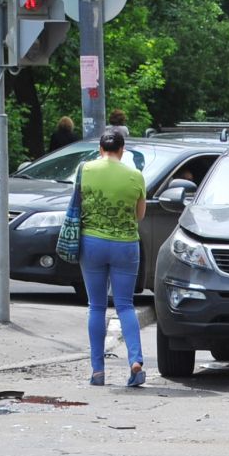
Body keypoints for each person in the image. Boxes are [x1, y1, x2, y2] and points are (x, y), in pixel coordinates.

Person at [75, 130, 148, 387]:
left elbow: (78, 205)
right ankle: (135, 360)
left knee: (96, 306)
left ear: (100, 147)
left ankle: (97, 371)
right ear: (122, 149)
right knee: (125, 305)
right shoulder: (135, 176)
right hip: (126, 245)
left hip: (92, 243)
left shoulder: (85, 170)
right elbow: (139, 215)